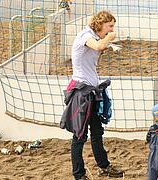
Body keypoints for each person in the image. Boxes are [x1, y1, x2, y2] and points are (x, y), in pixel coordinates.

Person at [61, 10, 123, 180]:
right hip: (82, 92)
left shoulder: (94, 37)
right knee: (79, 136)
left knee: (97, 131)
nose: (111, 29)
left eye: (112, 27)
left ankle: (103, 166)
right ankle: (79, 175)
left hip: (92, 90)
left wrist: (104, 46)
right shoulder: (85, 35)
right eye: (109, 26)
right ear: (100, 23)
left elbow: (94, 60)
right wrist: (109, 38)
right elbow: (98, 46)